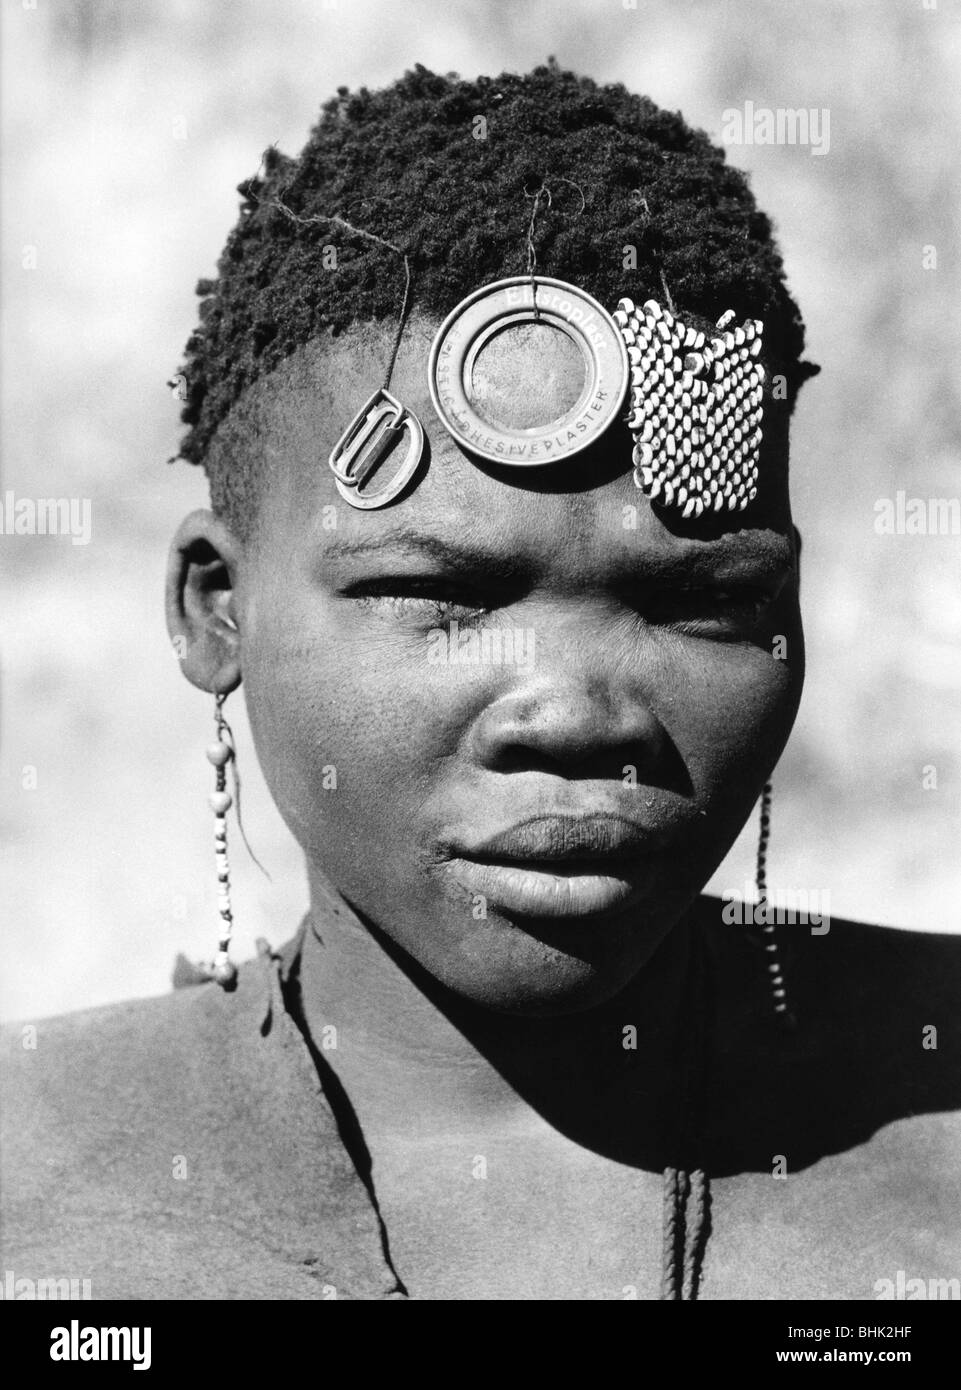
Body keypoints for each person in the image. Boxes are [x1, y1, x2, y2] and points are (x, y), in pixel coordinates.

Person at [3, 63, 959, 1302]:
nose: (575, 715)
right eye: (442, 595)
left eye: (699, 600)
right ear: (215, 609)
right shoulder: (37, 1185)